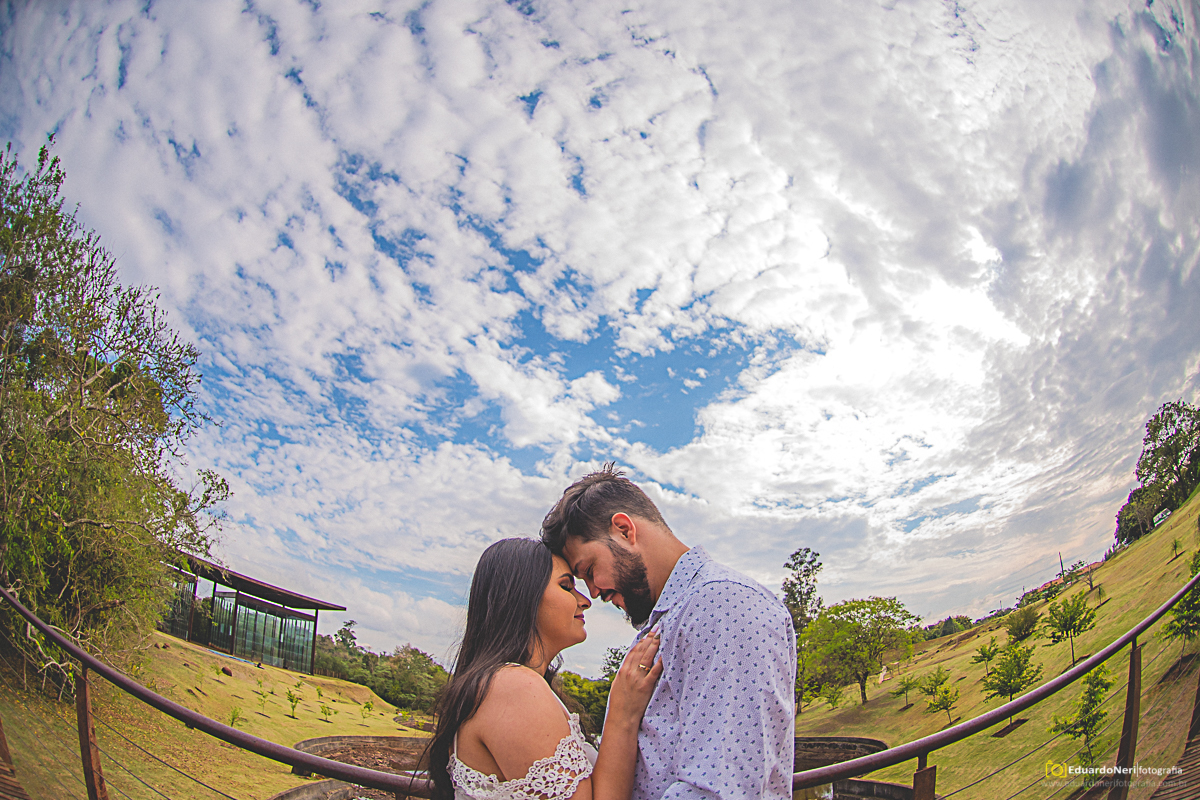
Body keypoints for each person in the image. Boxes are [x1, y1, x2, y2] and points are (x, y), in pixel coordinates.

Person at [541, 465, 796, 800]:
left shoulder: (722, 604)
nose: (594, 593)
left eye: (589, 570)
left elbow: (718, 790)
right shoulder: (674, 617)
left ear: (623, 530)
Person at [428, 538, 664, 800]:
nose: (586, 600)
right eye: (566, 586)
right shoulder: (513, 687)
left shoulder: (506, 684)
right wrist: (623, 714)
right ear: (522, 596)